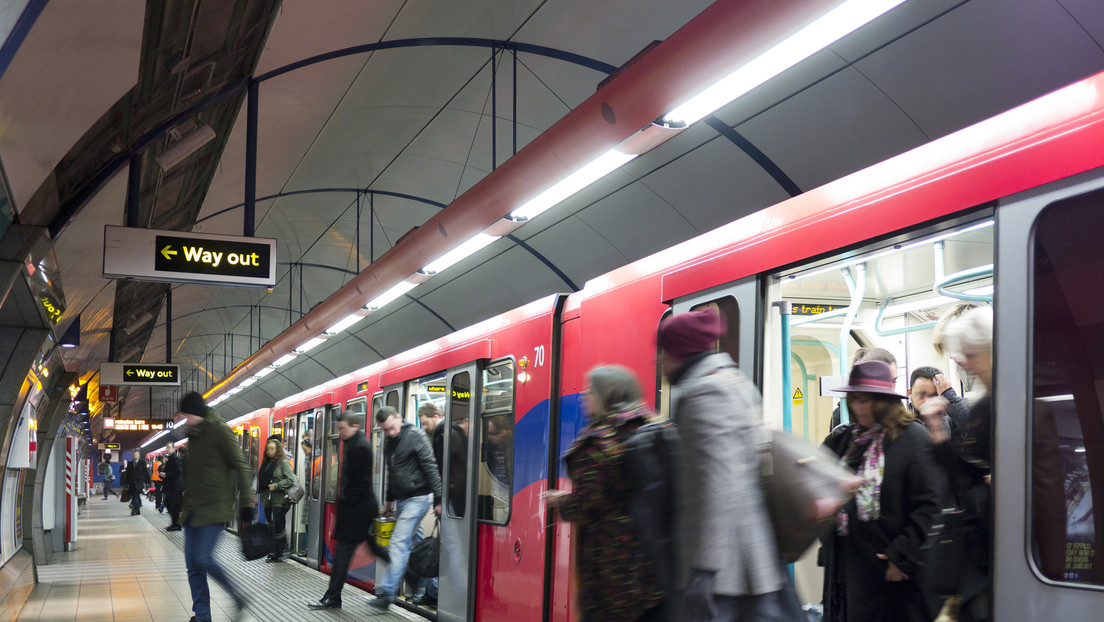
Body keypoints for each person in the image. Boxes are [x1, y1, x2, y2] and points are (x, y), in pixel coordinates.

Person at [658, 307, 803, 621]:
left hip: (727, 572)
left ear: (680, 351)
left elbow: (718, 484)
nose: (661, 361)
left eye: (665, 352)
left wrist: (705, 569)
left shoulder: (706, 394)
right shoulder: (732, 381)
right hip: (741, 562)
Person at [821, 360, 945, 622]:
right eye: (854, 400)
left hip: (890, 568)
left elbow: (931, 503)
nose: (858, 407)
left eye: (865, 401)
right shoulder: (845, 440)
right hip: (847, 565)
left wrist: (902, 555)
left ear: (884, 402)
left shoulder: (912, 439)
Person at [545, 365, 665, 622]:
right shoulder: (657, 426)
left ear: (605, 395)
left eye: (589, 391)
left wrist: (560, 500)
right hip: (656, 565)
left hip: (612, 571)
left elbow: (586, 503)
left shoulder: (598, 442)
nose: (584, 397)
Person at [917, 307, 993, 622]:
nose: (965, 363)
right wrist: (938, 434)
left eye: (971, 355)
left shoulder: (1009, 404)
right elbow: (968, 479)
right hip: (982, 552)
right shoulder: (984, 405)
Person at [178, 391, 254, 622]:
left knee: (202, 558)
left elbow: (241, 465)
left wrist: (246, 503)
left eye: (187, 416)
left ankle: (237, 596)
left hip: (215, 508)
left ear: (196, 413)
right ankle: (202, 616)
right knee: (193, 565)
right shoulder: (194, 434)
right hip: (193, 509)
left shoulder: (220, 430)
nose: (185, 420)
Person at [370, 406, 441, 611]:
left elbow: (431, 467)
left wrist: (438, 499)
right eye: (385, 430)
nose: (390, 432)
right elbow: (392, 473)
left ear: (399, 418)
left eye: (392, 427)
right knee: (417, 545)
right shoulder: (389, 441)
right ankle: (434, 591)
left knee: (399, 542)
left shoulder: (416, 436)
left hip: (418, 498)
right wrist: (389, 503)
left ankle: (387, 592)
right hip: (402, 501)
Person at [308, 409, 380, 610]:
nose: (339, 433)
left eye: (342, 429)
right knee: (371, 550)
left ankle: (333, 597)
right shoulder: (352, 443)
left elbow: (359, 484)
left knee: (342, 555)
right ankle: (334, 597)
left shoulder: (360, 447)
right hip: (357, 510)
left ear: (354, 426)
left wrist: (345, 508)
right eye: (338, 429)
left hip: (357, 512)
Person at [415, 402, 445, 607]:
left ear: (435, 416)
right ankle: (432, 591)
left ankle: (434, 593)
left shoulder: (443, 434)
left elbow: (439, 471)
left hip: (445, 502)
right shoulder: (437, 434)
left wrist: (439, 501)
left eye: (425, 423)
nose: (424, 428)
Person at [831, 347, 898, 429]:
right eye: (885, 381)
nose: (891, 388)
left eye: (894, 381)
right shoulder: (841, 419)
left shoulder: (902, 423)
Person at [907, 366, 969, 445]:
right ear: (909, 393)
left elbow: (976, 433)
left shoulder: (953, 421)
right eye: (921, 394)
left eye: (934, 395)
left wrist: (951, 399)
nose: (927, 401)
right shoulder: (902, 425)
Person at [258, 435, 295, 562]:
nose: (269, 451)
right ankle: (280, 548)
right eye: (268, 449)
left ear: (278, 450)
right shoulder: (265, 464)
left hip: (280, 499)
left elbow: (290, 480)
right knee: (271, 524)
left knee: (278, 525)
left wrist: (277, 485)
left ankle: (277, 551)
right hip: (267, 499)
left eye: (272, 449)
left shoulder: (283, 463)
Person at [162, 442, 184, 531]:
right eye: (166, 447)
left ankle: (176, 525)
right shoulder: (171, 458)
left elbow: (178, 471)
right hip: (172, 487)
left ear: (174, 448)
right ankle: (176, 524)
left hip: (175, 487)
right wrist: (163, 474)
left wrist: (166, 475)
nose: (167, 449)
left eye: (169, 447)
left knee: (174, 506)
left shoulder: (175, 458)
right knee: (169, 504)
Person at [124, 449, 151, 515]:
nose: (135, 456)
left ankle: (134, 510)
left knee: (135, 496)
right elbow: (128, 474)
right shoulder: (130, 464)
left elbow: (146, 472)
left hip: (139, 483)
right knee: (135, 496)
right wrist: (126, 483)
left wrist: (148, 482)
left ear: (139, 455)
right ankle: (137, 511)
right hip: (132, 483)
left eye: (136, 455)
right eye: (133, 455)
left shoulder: (142, 463)